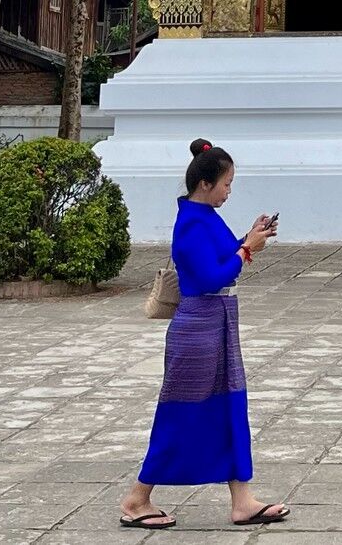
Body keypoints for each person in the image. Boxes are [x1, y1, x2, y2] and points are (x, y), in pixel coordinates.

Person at [120, 140, 285, 529]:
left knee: (229, 407)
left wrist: (249, 237)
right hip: (197, 329)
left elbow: (226, 255)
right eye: (227, 184)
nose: (230, 191)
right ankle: (136, 498)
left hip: (220, 322)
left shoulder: (206, 215)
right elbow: (212, 275)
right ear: (207, 184)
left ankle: (242, 500)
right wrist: (247, 250)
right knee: (181, 413)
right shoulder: (191, 223)